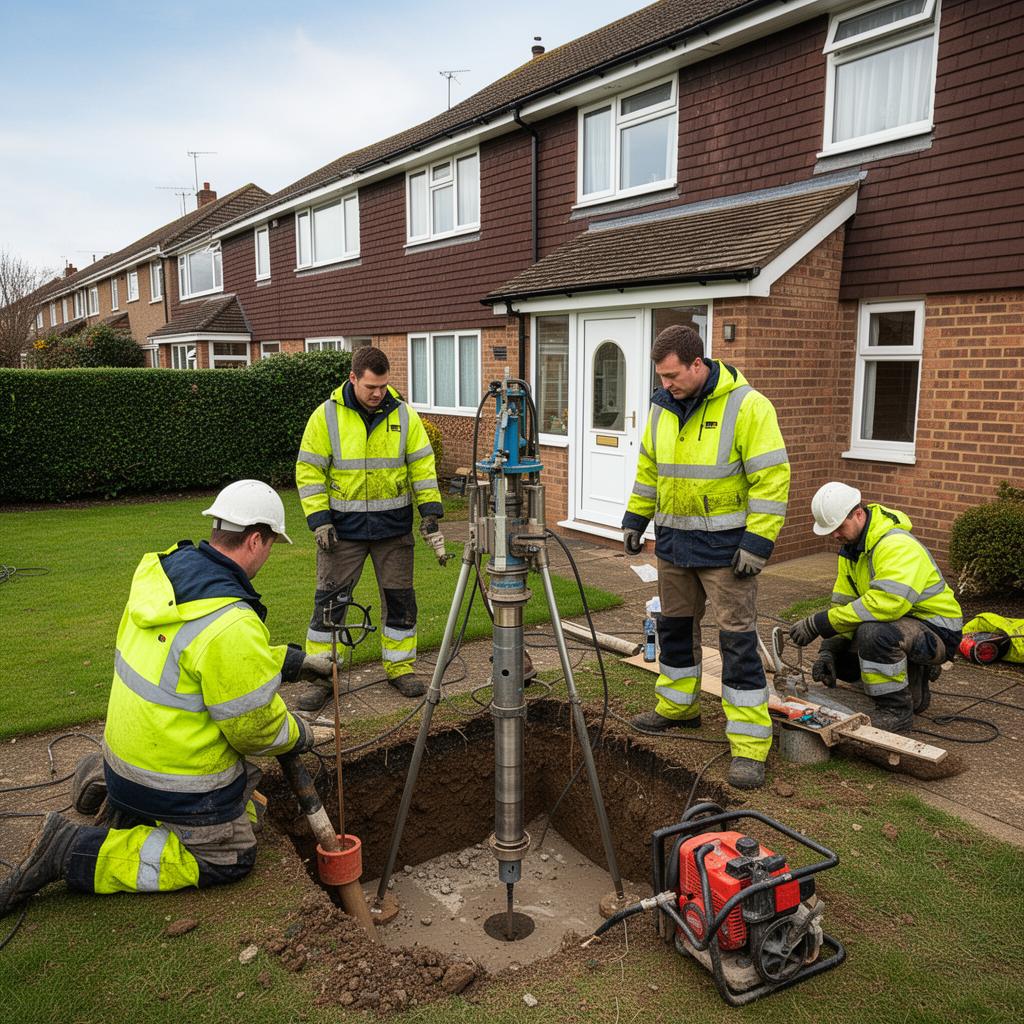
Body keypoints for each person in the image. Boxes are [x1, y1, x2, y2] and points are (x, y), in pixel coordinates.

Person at [0, 480, 331, 915]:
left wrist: (290, 662)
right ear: (255, 539)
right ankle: (73, 850)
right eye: (270, 544)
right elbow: (256, 730)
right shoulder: (230, 622)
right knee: (228, 855)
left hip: (125, 757)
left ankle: (102, 780)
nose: (268, 554)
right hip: (172, 785)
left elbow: (198, 656)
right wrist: (301, 732)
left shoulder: (166, 575)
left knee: (246, 801)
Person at [622, 326, 790, 790]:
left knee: (737, 645)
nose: (666, 384)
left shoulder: (748, 406)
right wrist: (636, 518)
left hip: (726, 552)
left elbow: (771, 480)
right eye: (660, 377)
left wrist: (758, 543)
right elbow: (649, 468)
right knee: (674, 632)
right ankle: (679, 708)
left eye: (673, 375)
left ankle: (751, 744)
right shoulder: (661, 405)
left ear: (699, 364)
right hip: (674, 545)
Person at [295, 345, 444, 707]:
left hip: (393, 530)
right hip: (340, 533)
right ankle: (322, 674)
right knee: (329, 605)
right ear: (353, 378)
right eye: (370, 387)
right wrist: (319, 520)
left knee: (399, 601)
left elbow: (421, 466)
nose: (378, 394)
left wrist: (430, 510)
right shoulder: (325, 416)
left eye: (383, 387)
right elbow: (309, 470)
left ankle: (400, 668)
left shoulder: (404, 416)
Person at [788, 482, 964, 733]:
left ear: (858, 514)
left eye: (839, 526)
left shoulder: (896, 545)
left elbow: (886, 605)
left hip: (937, 631)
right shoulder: (851, 551)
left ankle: (896, 712)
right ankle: (914, 683)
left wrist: (819, 623)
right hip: (903, 625)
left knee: (873, 635)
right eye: (831, 530)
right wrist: (829, 650)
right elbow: (844, 606)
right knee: (844, 662)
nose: (835, 535)